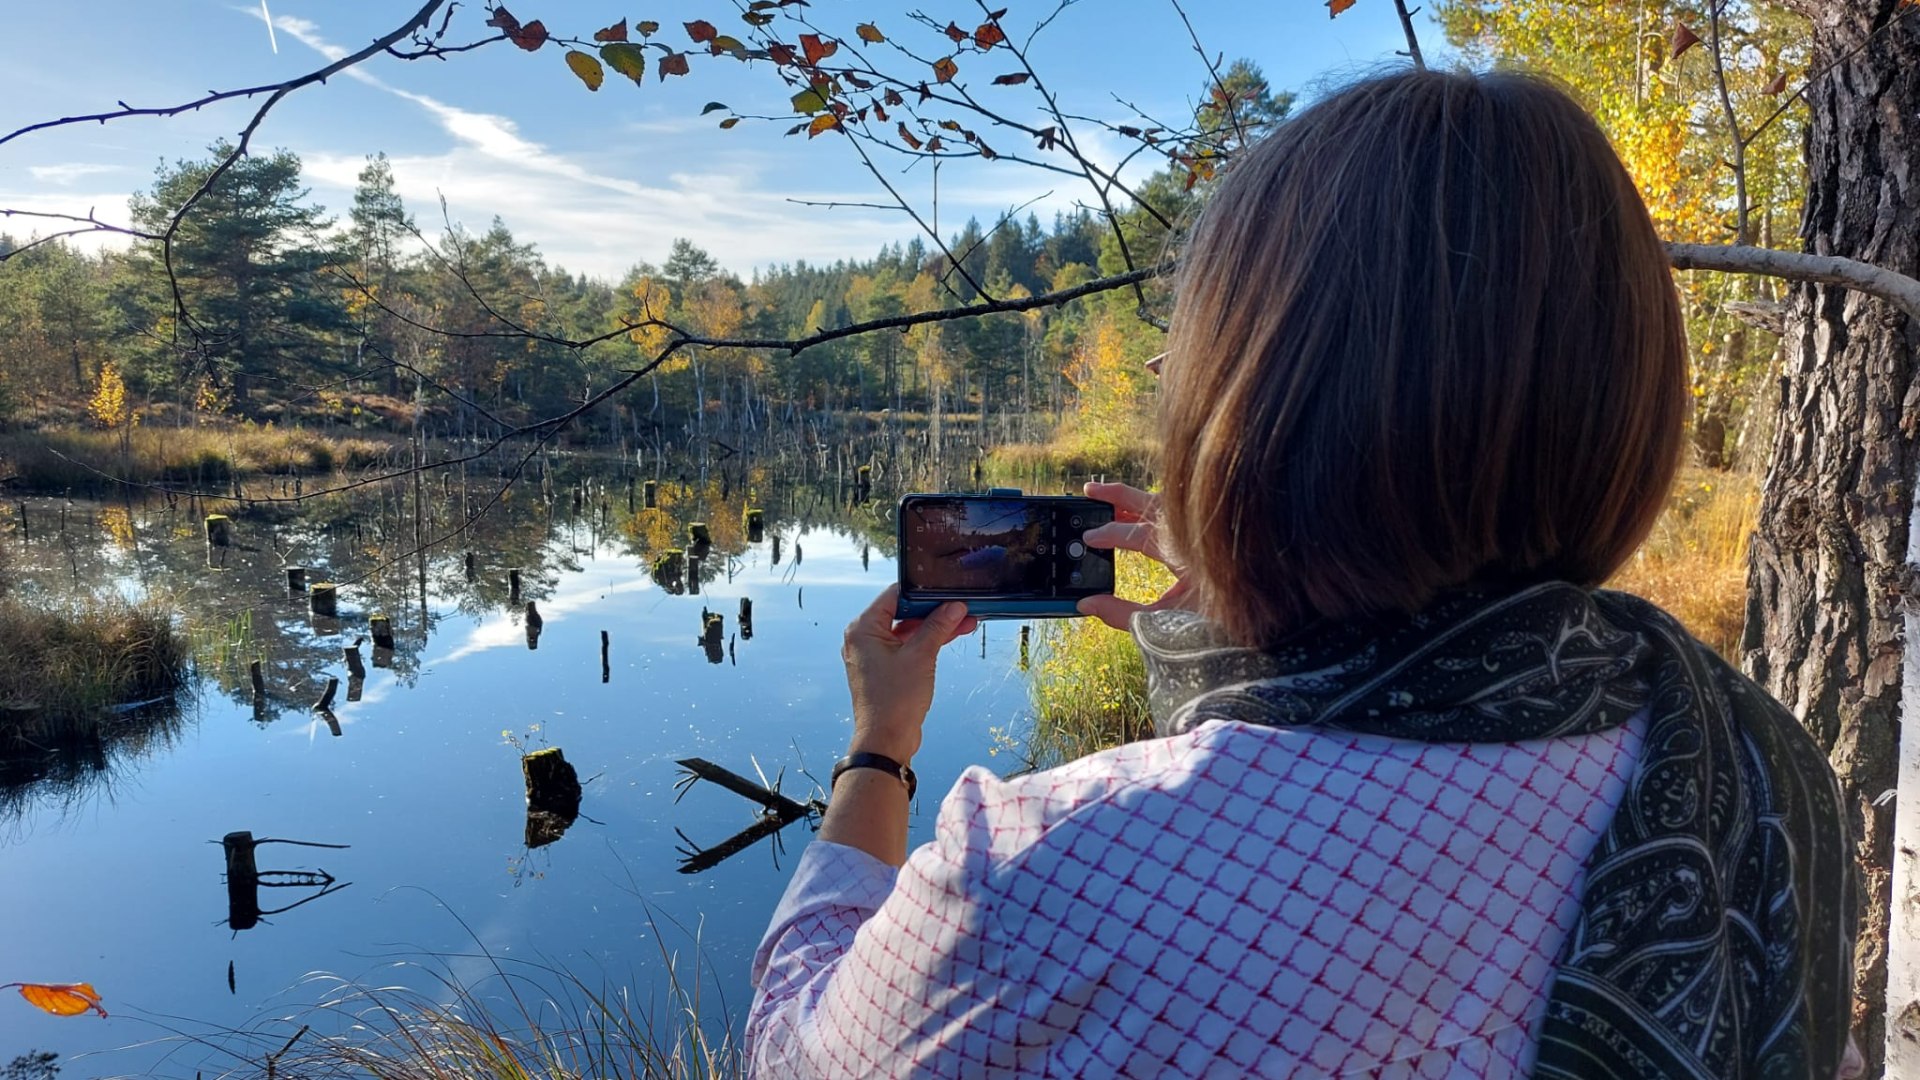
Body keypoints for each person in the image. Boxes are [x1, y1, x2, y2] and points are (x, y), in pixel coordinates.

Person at [746, 68, 1859, 1079]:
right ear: (1625, 404)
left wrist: (880, 748)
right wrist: (1262, 602)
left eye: (1182, 364)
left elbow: (793, 1051)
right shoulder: (1754, 766)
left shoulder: (1043, 877)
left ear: (1250, 414)